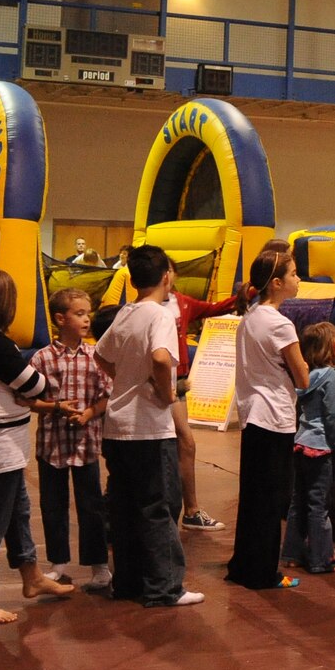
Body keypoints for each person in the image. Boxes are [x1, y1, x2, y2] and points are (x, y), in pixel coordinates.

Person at [0, 268, 73, 625]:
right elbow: (37, 387)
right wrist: (28, 389)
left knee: (17, 510)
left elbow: (24, 389)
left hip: (2, 439)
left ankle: (32, 576)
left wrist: (21, 391)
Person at [95, 246, 201, 607]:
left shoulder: (125, 313)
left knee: (124, 509)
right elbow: (160, 357)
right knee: (158, 506)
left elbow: (100, 354)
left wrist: (125, 379)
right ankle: (165, 587)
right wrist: (165, 390)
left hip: (117, 426)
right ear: (166, 276)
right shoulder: (159, 317)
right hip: (148, 429)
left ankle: (127, 582)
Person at [226, 246, 311, 590]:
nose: (298, 279)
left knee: (253, 498)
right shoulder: (279, 323)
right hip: (274, 417)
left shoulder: (251, 316)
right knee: (271, 500)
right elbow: (302, 377)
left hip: (253, 415)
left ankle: (244, 565)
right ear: (276, 283)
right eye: (293, 274)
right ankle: (263, 572)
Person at [31, 289, 111, 590]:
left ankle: (99, 565)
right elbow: (27, 399)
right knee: (53, 504)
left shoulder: (95, 356)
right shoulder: (42, 358)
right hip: (52, 444)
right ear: (60, 319)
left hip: (85, 445)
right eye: (79, 314)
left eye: (87, 313)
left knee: (91, 505)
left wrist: (90, 413)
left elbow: (107, 395)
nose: (86, 319)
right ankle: (58, 562)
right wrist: (55, 408)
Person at [281, 321, 335, 575]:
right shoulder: (333, 377)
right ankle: (322, 559)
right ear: (330, 346)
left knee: (298, 502)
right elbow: (333, 419)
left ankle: (292, 554)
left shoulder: (309, 376)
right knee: (319, 506)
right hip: (321, 449)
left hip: (300, 444)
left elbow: (326, 395)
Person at [167, 282, 224, 533]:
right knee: (177, 445)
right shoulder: (142, 311)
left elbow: (214, 307)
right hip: (160, 387)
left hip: (174, 385)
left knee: (184, 444)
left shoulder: (181, 303)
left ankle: (189, 510)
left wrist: (251, 292)